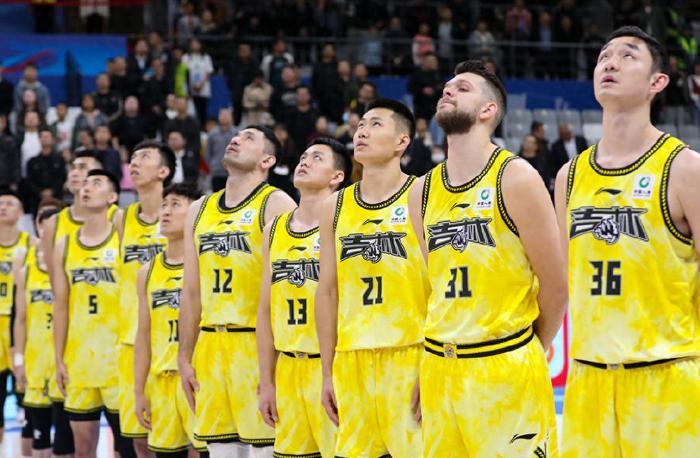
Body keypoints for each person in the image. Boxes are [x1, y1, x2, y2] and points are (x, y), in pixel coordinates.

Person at [555, 26, 700, 456]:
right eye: (604, 56)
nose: (610, 63)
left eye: (628, 55)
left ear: (658, 82)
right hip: (587, 378)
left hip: (666, 374)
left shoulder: (685, 167)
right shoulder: (569, 176)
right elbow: (563, 276)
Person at [408, 60, 565, 456]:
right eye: (447, 86)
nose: (448, 90)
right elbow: (436, 284)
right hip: (440, 368)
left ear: (487, 110)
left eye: (462, 88)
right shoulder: (421, 191)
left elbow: (557, 284)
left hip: (504, 362)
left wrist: (525, 349)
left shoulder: (516, 177)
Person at [315, 99, 428, 457]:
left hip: (411, 355)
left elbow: (440, 285)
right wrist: (328, 371)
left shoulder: (423, 196)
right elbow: (327, 292)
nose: (361, 131)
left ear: (402, 141)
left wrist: (433, 364)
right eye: (361, 124)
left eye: (375, 124)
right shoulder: (334, 206)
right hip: (352, 360)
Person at [178, 126, 296, 457]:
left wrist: (274, 366)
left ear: (267, 160)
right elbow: (190, 292)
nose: (235, 139)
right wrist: (184, 356)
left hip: (256, 346)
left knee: (265, 450)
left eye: (249, 138)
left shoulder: (276, 203)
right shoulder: (198, 209)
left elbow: (286, 289)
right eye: (236, 136)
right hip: (210, 348)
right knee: (221, 451)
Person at [257, 138, 351, 458]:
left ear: (337, 176)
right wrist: (266, 381)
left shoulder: (344, 222)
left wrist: (330, 373)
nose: (305, 161)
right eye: (303, 155)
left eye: (317, 157)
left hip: (333, 367)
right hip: (287, 368)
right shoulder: (273, 229)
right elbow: (265, 310)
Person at [52, 170, 131, 457]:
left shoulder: (122, 237)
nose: (87, 187)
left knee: (127, 448)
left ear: (112, 197)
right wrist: (58, 357)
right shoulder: (64, 244)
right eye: (85, 183)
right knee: (83, 449)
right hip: (80, 359)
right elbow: (60, 305)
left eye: (96, 183)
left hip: (118, 358)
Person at [134, 183, 207, 456]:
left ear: (194, 212)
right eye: (164, 204)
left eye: (175, 204)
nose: (166, 211)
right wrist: (139, 390)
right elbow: (144, 335)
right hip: (161, 381)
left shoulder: (205, 263)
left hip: (198, 379)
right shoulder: (147, 271)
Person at [114, 141, 175, 457]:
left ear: (163, 171)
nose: (134, 162)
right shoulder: (121, 219)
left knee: (187, 440)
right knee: (139, 437)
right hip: (132, 341)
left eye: (145, 157)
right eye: (133, 157)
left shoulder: (181, 215)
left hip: (171, 340)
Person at [13, 204, 62, 457]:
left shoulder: (69, 264)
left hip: (65, 359)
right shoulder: (26, 266)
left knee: (66, 437)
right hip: (36, 360)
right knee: (36, 432)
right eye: (43, 223)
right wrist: (18, 360)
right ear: (38, 227)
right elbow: (20, 318)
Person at [0, 190, 30, 443]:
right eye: (0, 203)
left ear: (20, 212)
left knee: (27, 400)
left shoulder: (32, 245)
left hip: (21, 324)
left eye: (9, 203)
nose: (3, 207)